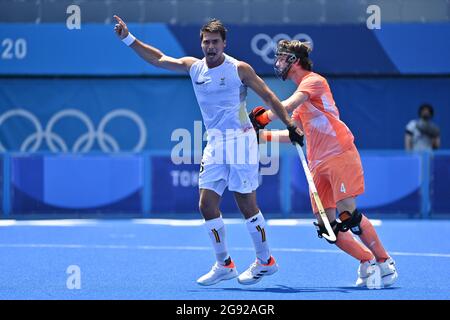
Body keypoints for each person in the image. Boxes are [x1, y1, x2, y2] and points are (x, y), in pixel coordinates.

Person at [113, 16, 304, 286]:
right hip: (214, 143)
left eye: (215, 42)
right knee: (206, 204)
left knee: (246, 205)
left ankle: (265, 261)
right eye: (206, 42)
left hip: (241, 141)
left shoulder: (239, 69)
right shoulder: (194, 68)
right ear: (201, 43)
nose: (210, 46)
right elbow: (158, 59)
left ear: (224, 43)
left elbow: (270, 97)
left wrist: (291, 124)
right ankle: (224, 263)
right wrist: (128, 39)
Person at [249, 39, 398, 288]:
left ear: (294, 61)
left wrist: (263, 117)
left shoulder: (313, 82)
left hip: (340, 153)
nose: (277, 63)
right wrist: (258, 136)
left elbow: (287, 106)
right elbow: (294, 134)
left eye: (282, 58)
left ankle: (385, 261)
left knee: (347, 214)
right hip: (317, 164)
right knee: (327, 227)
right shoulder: (300, 97)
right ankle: (367, 260)